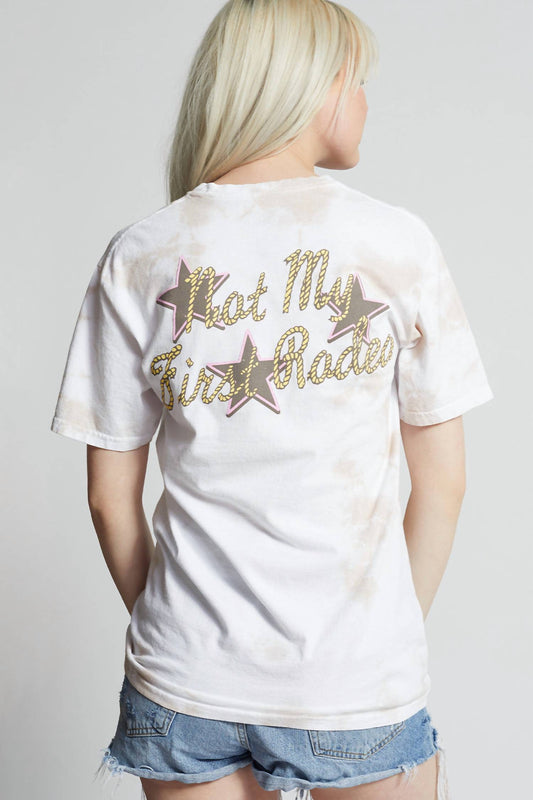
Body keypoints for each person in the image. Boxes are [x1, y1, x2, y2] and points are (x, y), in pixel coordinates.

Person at [50, 1, 494, 799]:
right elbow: (444, 484)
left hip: (183, 678)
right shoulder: (395, 243)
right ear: (314, 88)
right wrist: (380, 641)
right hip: (354, 676)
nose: (366, 102)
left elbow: (108, 500)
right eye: (358, 81)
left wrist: (178, 634)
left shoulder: (141, 254)